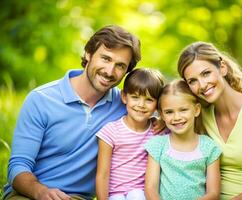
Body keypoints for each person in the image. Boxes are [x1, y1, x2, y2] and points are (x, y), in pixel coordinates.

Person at [4, 25, 141, 200]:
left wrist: (159, 123)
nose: (109, 71)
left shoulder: (125, 107)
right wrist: (41, 192)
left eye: (120, 65)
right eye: (106, 58)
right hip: (28, 194)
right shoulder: (41, 99)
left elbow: (169, 118)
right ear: (88, 54)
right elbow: (18, 166)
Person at [177, 41, 242, 199]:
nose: (202, 85)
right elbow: (172, 115)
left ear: (222, 67)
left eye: (206, 73)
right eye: (192, 81)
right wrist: (158, 122)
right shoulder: (200, 115)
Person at [144, 79, 222, 200]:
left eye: (183, 110)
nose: (177, 117)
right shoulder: (158, 145)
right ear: (162, 115)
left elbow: (213, 193)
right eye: (169, 112)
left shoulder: (209, 147)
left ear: (196, 110)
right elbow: (150, 188)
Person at [95, 68, 165, 200]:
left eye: (149, 100)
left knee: (136, 195)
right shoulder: (110, 131)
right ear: (124, 97)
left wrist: (164, 121)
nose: (141, 105)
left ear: (157, 104)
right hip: (114, 195)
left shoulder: (158, 131)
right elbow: (102, 174)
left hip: (143, 194)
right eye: (135, 97)